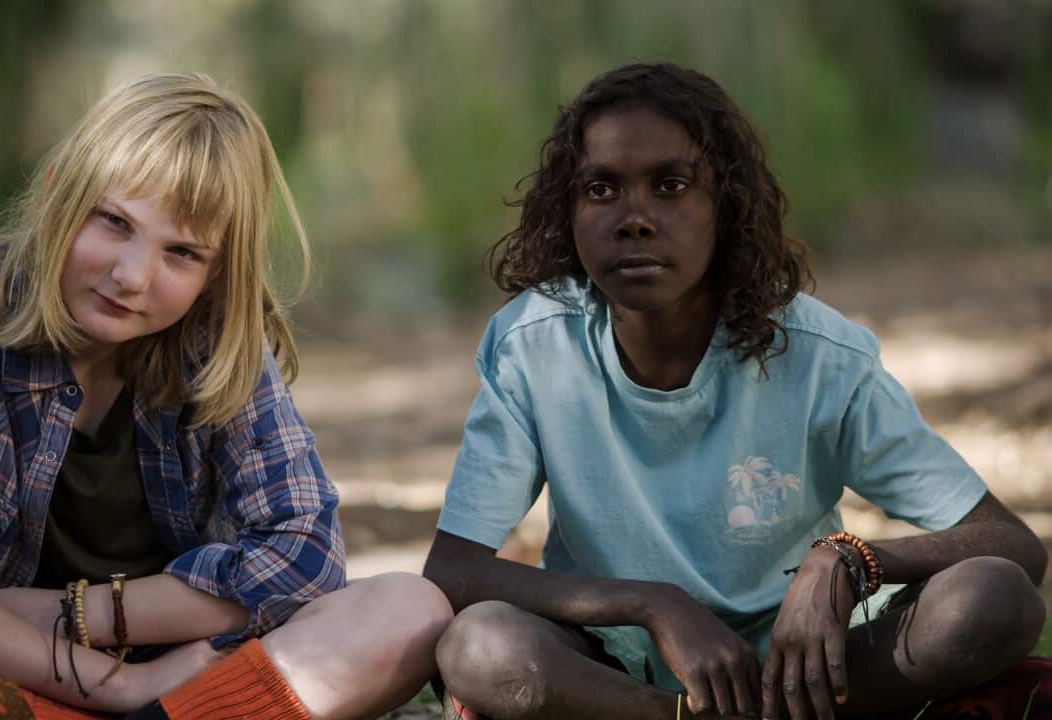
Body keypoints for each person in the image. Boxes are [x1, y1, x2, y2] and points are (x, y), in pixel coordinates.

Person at [0, 73, 451, 720]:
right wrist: (124, 686)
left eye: (182, 253)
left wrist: (80, 614)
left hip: (174, 663)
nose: (132, 277)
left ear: (218, 274)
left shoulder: (213, 340)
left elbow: (304, 554)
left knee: (408, 611)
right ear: (59, 193)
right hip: (4, 666)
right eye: (114, 223)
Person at [423, 63, 1047, 720]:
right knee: (481, 648)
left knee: (992, 599)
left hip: (809, 663)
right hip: (613, 667)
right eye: (601, 188)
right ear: (568, 211)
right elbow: (455, 570)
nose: (634, 217)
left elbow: (1010, 544)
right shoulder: (533, 344)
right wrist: (653, 604)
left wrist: (846, 560)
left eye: (671, 185)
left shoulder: (816, 353)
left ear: (727, 206)